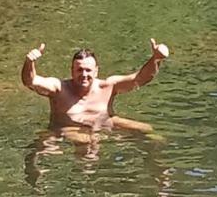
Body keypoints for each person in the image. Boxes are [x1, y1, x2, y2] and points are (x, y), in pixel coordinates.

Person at [21, 40, 170, 132]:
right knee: (85, 140)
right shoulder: (59, 89)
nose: (84, 74)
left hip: (105, 123)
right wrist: (29, 62)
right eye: (79, 70)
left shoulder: (108, 86)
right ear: (71, 71)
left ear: (96, 70)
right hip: (68, 128)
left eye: (88, 70)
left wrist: (156, 59)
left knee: (147, 130)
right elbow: (31, 82)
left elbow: (140, 79)